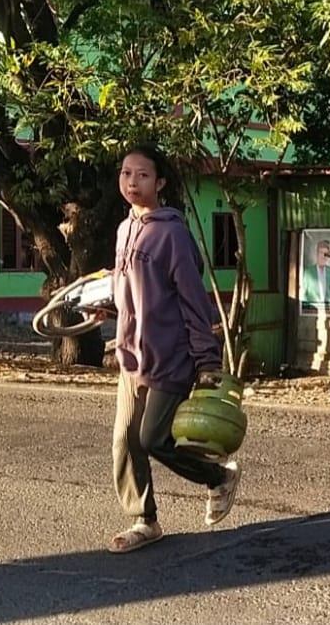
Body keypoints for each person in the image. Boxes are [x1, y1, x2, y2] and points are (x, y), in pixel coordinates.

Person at [107, 143, 241, 553]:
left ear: (160, 182)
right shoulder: (124, 229)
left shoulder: (172, 233)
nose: (132, 181)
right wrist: (107, 312)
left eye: (142, 174)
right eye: (126, 173)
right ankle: (144, 521)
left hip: (170, 356)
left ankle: (218, 477)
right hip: (131, 356)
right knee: (125, 441)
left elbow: (191, 299)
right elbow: (128, 289)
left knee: (153, 438)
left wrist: (207, 359)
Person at [302, 239, 330, 309]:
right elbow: (303, 295)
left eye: (326, 254)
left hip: (329, 312)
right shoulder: (308, 272)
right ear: (317, 254)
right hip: (312, 312)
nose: (323, 256)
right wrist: (310, 308)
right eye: (321, 252)